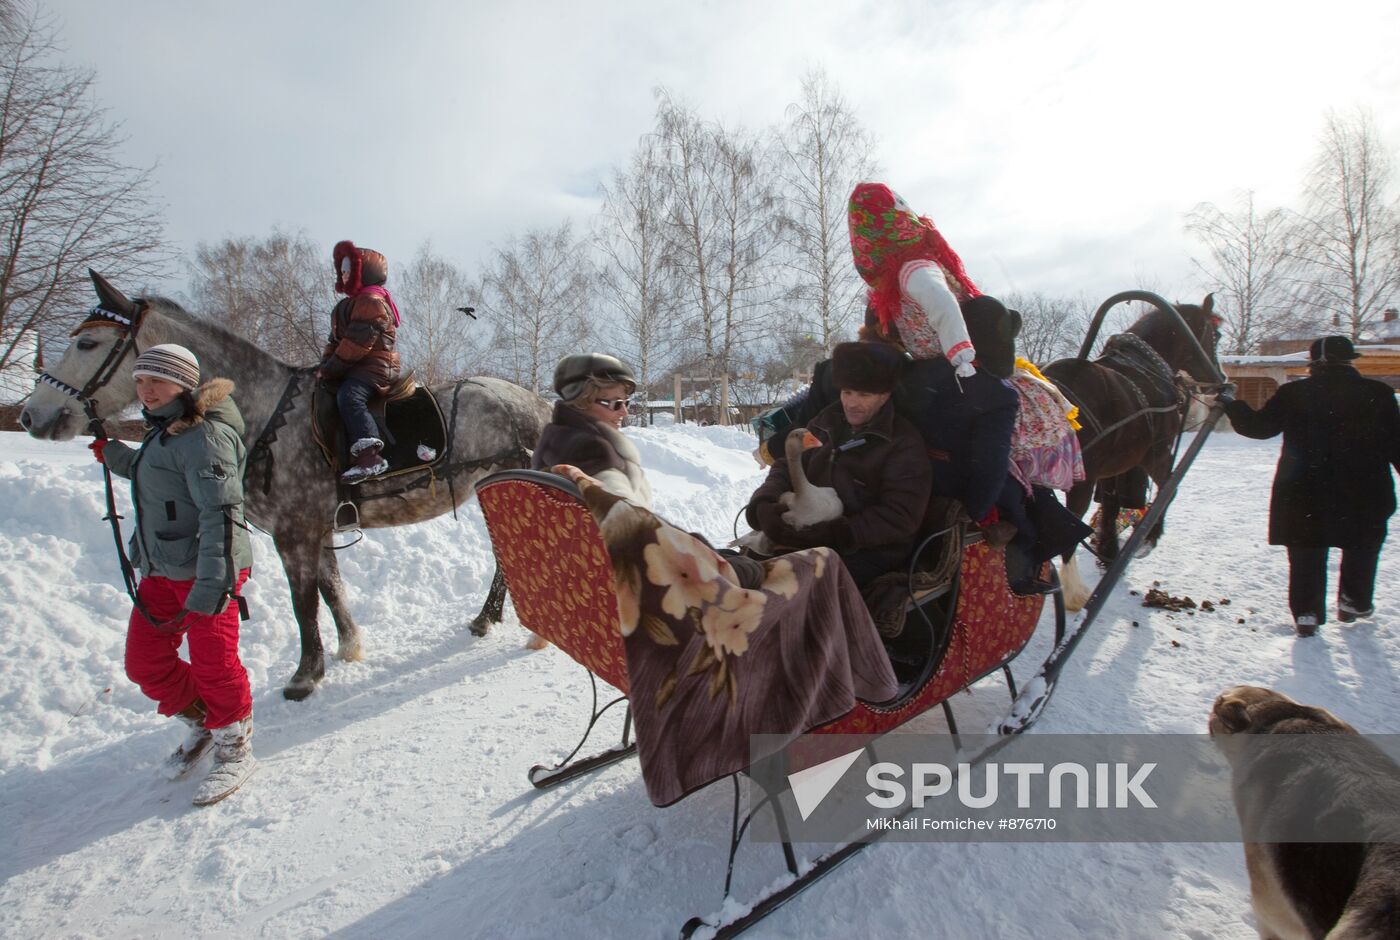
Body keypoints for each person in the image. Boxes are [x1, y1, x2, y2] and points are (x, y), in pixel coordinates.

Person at [87, 344, 256, 806]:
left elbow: (220, 514)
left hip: (210, 569)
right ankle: (204, 719)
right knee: (145, 663)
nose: (147, 389)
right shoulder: (166, 432)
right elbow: (159, 476)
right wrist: (116, 455)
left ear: (185, 384)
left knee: (214, 664)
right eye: (141, 381)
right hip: (162, 568)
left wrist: (213, 585)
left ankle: (234, 744)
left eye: (158, 380)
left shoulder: (206, 437)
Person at [1225, 336, 1400, 636]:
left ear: (1314, 363)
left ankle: (1306, 613)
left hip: (1304, 491)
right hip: (1364, 491)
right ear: (1349, 360)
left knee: (1307, 550)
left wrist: (1231, 404)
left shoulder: (1294, 393)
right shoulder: (1379, 394)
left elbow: (1259, 427)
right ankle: (1353, 602)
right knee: (1361, 545)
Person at [745, 341, 932, 588]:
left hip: (866, 550)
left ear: (884, 396)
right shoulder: (825, 421)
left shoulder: (902, 444)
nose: (852, 403)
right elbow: (786, 464)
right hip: (808, 535)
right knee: (743, 573)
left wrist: (837, 534)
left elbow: (900, 516)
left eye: (864, 395)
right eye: (847, 392)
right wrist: (764, 504)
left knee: (791, 588)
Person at [316, 240, 402, 484]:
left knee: (349, 396)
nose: (342, 274)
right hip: (356, 366)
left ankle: (370, 457)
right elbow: (335, 342)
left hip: (375, 366)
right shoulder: (345, 306)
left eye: (347, 269)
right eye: (341, 270)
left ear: (363, 272)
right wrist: (323, 367)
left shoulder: (371, 302)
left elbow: (358, 342)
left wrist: (332, 368)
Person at [532, 353, 653, 508]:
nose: (624, 412)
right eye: (615, 403)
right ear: (583, 402)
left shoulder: (556, 438)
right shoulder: (593, 451)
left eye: (626, 403)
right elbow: (630, 524)